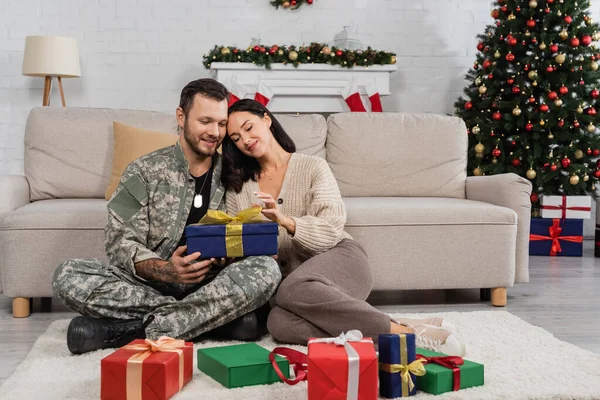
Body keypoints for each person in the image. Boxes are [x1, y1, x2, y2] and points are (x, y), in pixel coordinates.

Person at [52, 79, 281, 355]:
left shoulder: (234, 174)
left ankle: (125, 330)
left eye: (221, 124)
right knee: (66, 275)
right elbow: (119, 242)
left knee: (267, 270)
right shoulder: (142, 171)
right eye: (205, 121)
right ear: (181, 117)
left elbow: (242, 236)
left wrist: (227, 254)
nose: (214, 132)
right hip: (146, 287)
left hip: (209, 286)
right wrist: (166, 269)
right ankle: (215, 324)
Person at [222, 99, 466, 356]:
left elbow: (331, 228)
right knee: (278, 323)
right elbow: (233, 240)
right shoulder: (238, 187)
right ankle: (398, 325)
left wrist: (286, 221)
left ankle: (408, 337)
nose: (245, 140)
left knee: (290, 290)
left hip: (342, 261)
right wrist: (254, 252)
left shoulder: (313, 166)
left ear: (266, 119)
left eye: (249, 128)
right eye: (236, 138)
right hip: (298, 294)